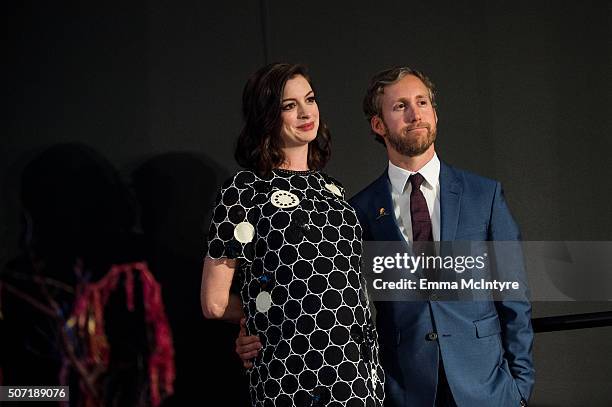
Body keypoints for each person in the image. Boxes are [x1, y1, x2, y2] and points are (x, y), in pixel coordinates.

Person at [237, 67, 535, 407]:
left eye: (422, 102)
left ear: (435, 113)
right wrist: (250, 325)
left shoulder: (485, 195)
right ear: (378, 125)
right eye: (400, 106)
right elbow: (317, 290)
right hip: (404, 389)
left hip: (488, 390)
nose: (415, 113)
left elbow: (514, 294)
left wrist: (520, 386)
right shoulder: (355, 209)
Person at [200, 63, 385, 407]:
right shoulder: (245, 190)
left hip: (357, 370)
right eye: (289, 105)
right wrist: (258, 317)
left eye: (310, 99)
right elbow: (214, 303)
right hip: (292, 369)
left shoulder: (333, 190)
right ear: (266, 115)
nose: (305, 112)